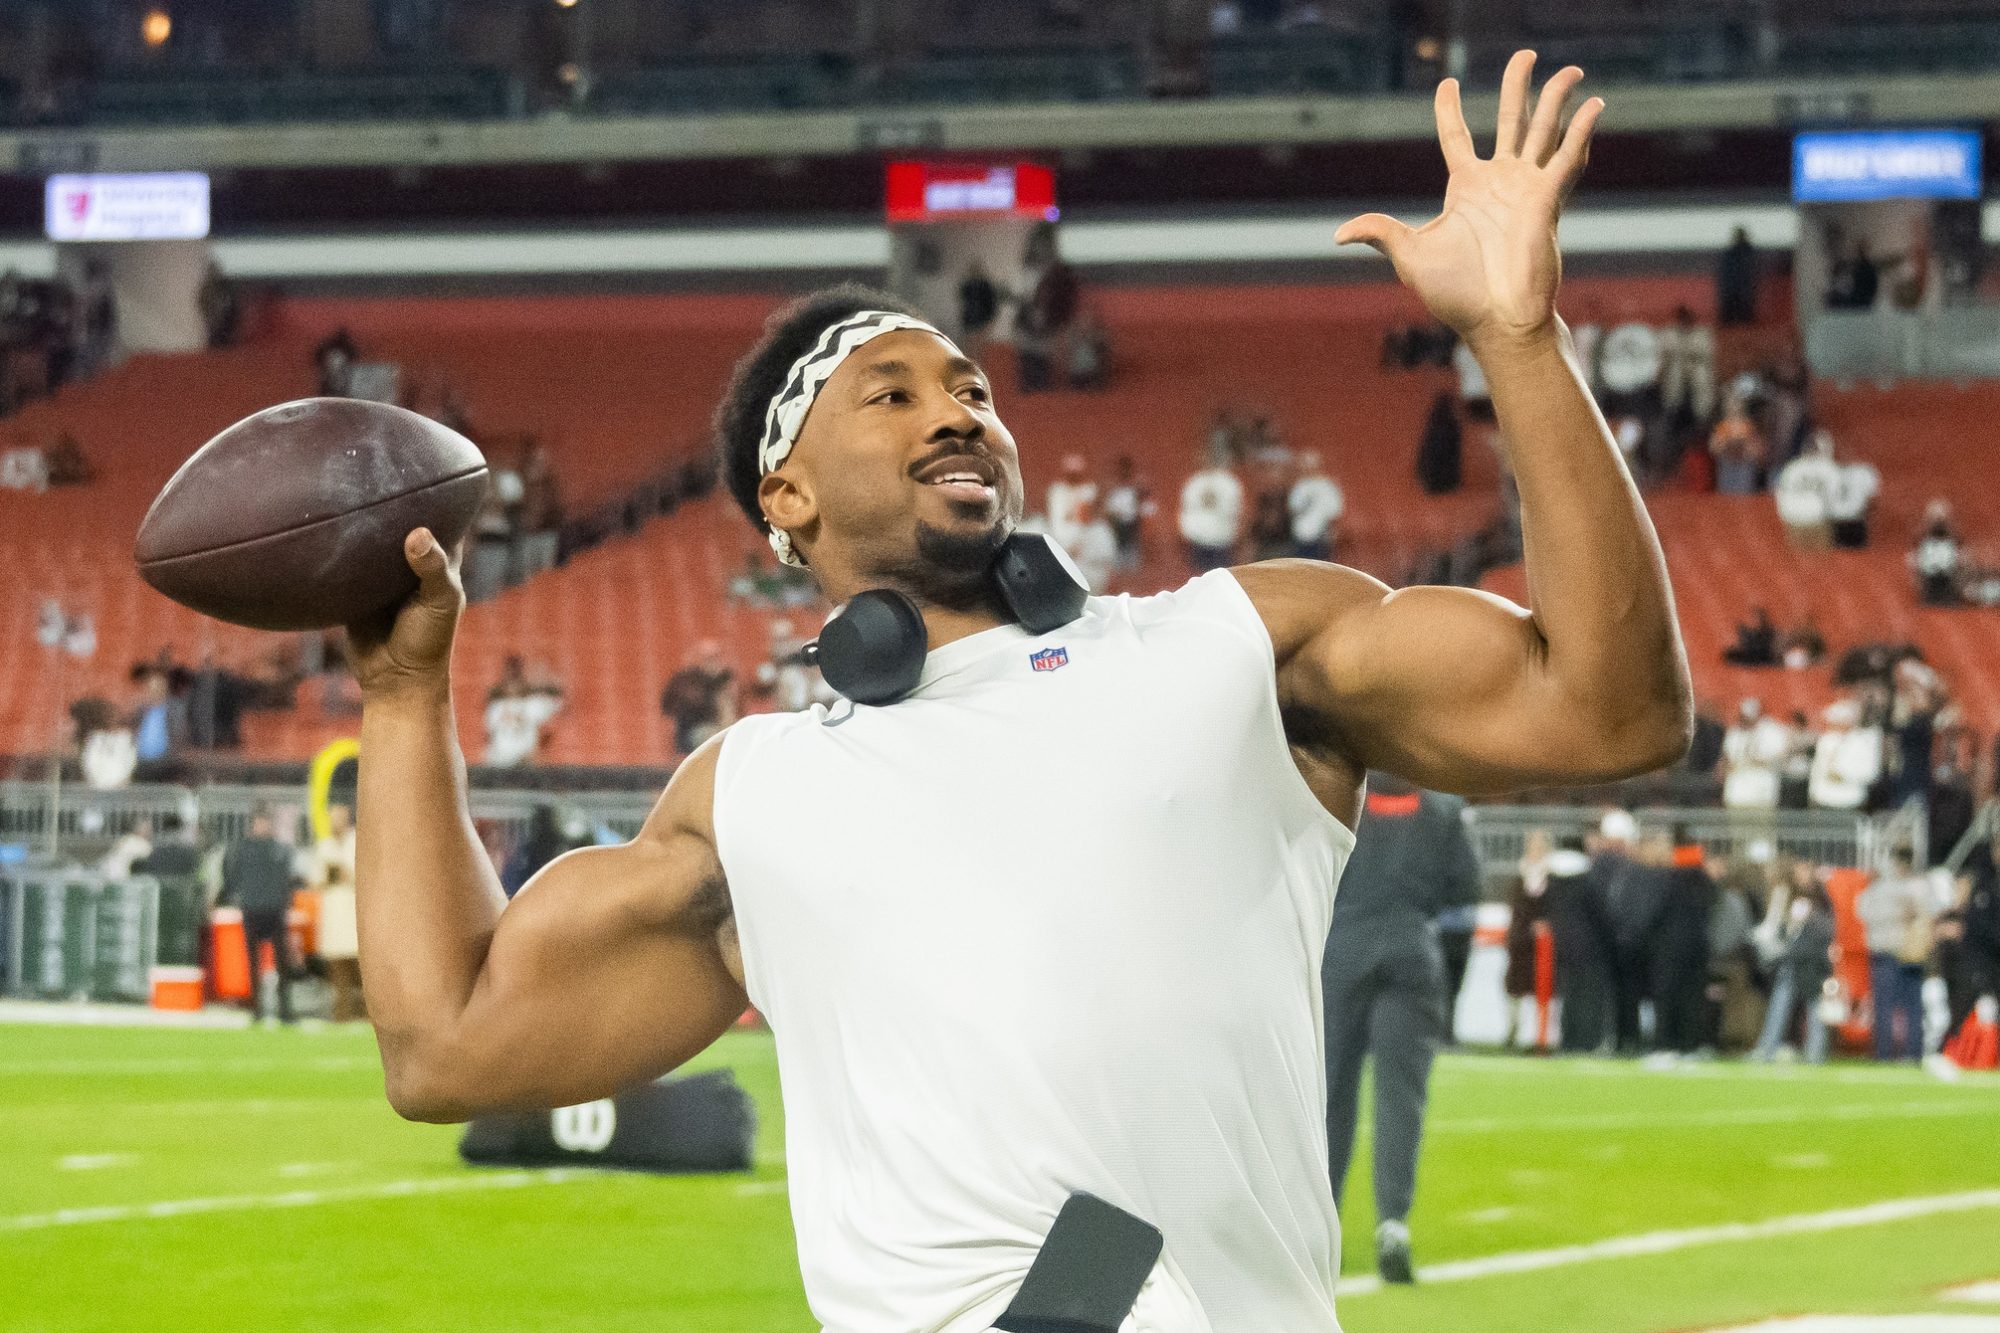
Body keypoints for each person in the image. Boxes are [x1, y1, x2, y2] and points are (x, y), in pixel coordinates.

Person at [344, 58, 1687, 1331]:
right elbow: (446, 1049)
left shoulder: (1231, 647)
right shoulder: (752, 794)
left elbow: (1611, 711)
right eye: (891, 392)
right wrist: (404, 699)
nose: (958, 412)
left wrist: (1520, 338)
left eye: (973, 389)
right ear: (788, 498)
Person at [1322, 774, 1482, 1283]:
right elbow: (1466, 886)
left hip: (1341, 945)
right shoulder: (1442, 806)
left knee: (1330, 1093)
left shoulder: (1343, 793)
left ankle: (1322, 1225)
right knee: (1401, 1098)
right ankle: (1393, 1223)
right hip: (1413, 945)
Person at [221, 808, 301, 1027]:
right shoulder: (243, 849)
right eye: (260, 822)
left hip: (275, 909)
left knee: (281, 962)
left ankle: (284, 1009)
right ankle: (257, 1008)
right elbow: (230, 874)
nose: (262, 827)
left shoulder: (279, 848)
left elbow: (289, 878)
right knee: (252, 962)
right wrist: (234, 895)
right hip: (252, 908)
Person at [1749, 866, 1836, 1063]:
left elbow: (1829, 930)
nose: (1801, 877)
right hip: (1792, 962)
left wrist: (1811, 916)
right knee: (1779, 1007)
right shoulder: (1791, 898)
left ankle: (1815, 1054)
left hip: (1814, 964)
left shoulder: (1822, 902)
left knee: (1816, 1012)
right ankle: (1767, 1048)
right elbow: (1783, 931)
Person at [1855, 848, 1933, 1061]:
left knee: (1886, 1006)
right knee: (1912, 1007)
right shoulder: (1918, 886)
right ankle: (1912, 1054)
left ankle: (1885, 1054)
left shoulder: (1881, 888)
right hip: (1909, 952)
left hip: (1889, 952)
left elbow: (1861, 910)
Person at [310, 804, 363, 1022]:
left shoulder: (357, 843)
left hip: (354, 915)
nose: (335, 824)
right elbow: (315, 879)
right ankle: (342, 1014)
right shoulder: (324, 846)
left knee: (362, 972)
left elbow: (364, 873)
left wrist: (346, 873)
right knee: (338, 971)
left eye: (339, 819)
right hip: (333, 915)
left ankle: (367, 1015)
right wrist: (329, 876)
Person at [660, 641, 737, 757]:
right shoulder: (687, 681)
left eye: (716, 658)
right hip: (693, 731)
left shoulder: (724, 679)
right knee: (715, 737)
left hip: (718, 727)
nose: (712, 663)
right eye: (708, 659)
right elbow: (671, 707)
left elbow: (733, 708)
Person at [1177, 441, 1243, 573]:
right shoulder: (1194, 482)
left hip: (1221, 540)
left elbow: (1234, 509)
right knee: (1198, 578)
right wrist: (1186, 531)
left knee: (1221, 577)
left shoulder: (1228, 482)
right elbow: (1187, 509)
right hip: (1198, 540)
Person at [1809, 698, 1882, 812]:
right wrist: (1813, 795)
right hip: (1823, 802)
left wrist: (1843, 776)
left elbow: (1871, 774)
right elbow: (1817, 770)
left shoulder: (1863, 742)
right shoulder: (1826, 741)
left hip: (1850, 803)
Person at [1773, 432, 1840, 549]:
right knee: (1821, 563)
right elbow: (1835, 496)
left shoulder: (1793, 467)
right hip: (1817, 521)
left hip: (1796, 520)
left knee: (1798, 562)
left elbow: (1781, 494)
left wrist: (1785, 517)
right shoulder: (1829, 468)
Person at [1286, 451, 1344, 561]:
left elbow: (1334, 514)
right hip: (1300, 535)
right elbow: (1293, 508)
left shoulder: (1327, 486)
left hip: (1320, 537)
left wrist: (1331, 534)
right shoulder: (1301, 485)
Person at [1100, 454, 1150, 571]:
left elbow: (1145, 509)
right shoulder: (1113, 489)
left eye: (1126, 469)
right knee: (1118, 562)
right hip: (1117, 527)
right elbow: (1107, 510)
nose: (1124, 473)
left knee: (1132, 561)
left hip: (1132, 526)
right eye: (1121, 470)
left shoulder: (1137, 488)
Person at [1044, 452, 1096, 554]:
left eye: (1075, 474)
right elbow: (1054, 517)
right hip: (1059, 535)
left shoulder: (1087, 489)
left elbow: (1085, 517)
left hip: (1081, 536)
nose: (1073, 477)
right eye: (1071, 474)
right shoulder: (1057, 490)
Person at [1414, 390, 1462, 494]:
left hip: (1433, 474)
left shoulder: (1434, 423)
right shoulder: (1451, 424)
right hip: (1441, 469)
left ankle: (1437, 482)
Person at [1716, 225, 1759, 326]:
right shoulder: (1748, 253)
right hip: (1740, 293)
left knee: (1736, 321)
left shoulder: (1731, 254)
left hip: (1736, 293)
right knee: (1743, 321)